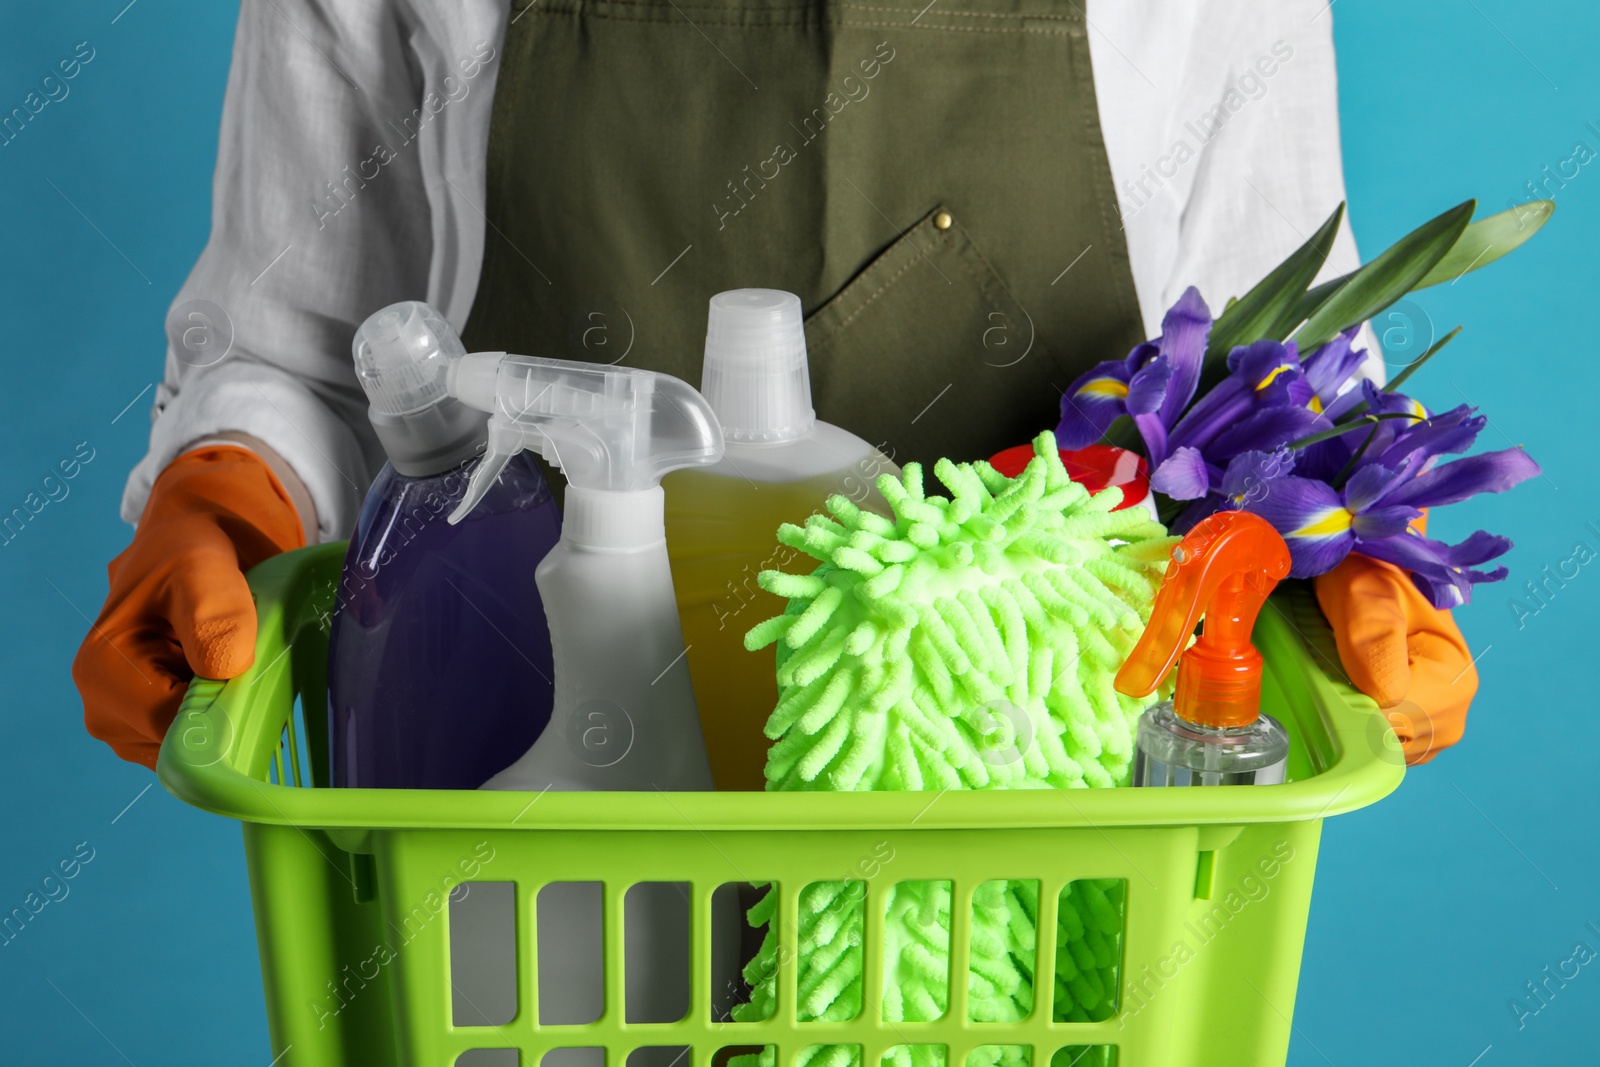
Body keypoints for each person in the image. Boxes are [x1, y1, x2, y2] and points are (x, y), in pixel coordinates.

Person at [73, 0, 1474, 771]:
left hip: (1039, 838)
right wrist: (226, 489)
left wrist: (1342, 545)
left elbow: (1269, 349)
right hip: (524, 814)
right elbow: (320, 344)